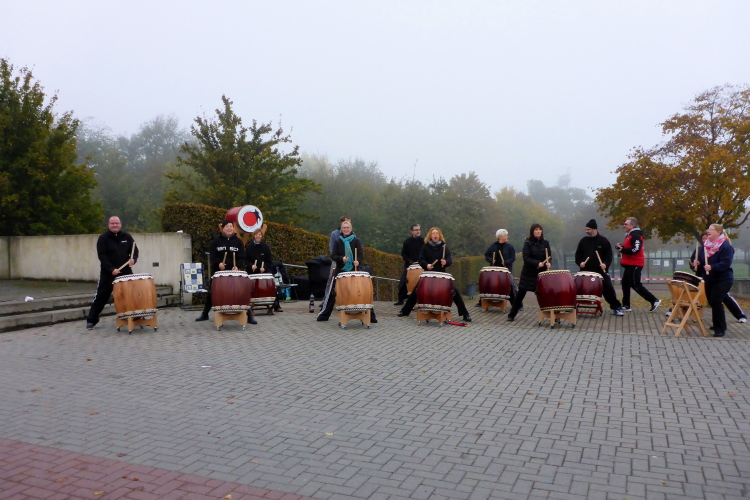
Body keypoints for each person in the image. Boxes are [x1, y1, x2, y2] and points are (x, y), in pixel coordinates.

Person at [397, 227, 472, 322]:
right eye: (433, 233)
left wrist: (446, 262)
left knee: (454, 292)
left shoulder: (444, 247)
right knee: (416, 291)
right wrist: (427, 265)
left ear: (439, 235)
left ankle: (465, 314)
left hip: (441, 274)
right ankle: (405, 311)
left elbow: (449, 259)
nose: (435, 235)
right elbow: (421, 259)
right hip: (428, 274)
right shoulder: (425, 247)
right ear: (430, 236)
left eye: (437, 233)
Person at [317, 221, 377, 323]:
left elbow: (361, 254)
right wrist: (341, 259)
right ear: (341, 229)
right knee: (332, 292)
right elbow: (333, 255)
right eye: (344, 228)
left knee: (361, 292)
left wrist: (358, 261)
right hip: (341, 269)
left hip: (354, 269)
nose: (346, 229)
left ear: (351, 229)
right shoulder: (338, 241)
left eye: (347, 228)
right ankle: (324, 315)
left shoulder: (356, 241)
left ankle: (371, 317)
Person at [86, 216, 139, 330]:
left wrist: (133, 260)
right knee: (101, 296)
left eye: (116, 223)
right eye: (112, 223)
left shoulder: (127, 237)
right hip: (108, 273)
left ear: (120, 224)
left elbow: (135, 251)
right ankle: (91, 320)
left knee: (131, 295)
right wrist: (111, 269)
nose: (115, 225)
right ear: (108, 225)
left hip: (125, 271)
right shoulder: (103, 238)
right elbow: (102, 256)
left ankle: (134, 317)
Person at [195, 220, 254, 323]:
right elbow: (213, 256)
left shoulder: (238, 242)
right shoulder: (216, 242)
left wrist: (237, 266)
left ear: (233, 228)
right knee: (212, 292)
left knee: (240, 293)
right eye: (227, 226)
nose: (229, 228)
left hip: (234, 273)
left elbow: (242, 256)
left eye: (231, 226)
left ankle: (249, 315)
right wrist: (219, 264)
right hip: (219, 273)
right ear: (223, 228)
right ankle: (205, 314)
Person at [686, 231, 746, 322]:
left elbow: (723, 263)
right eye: (703, 239)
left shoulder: (718, 248)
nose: (704, 240)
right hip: (704, 278)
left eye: (706, 238)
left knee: (723, 298)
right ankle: (705, 319)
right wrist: (694, 266)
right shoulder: (700, 249)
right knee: (711, 300)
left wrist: (712, 267)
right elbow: (693, 262)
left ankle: (740, 315)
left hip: (718, 278)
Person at [693, 224, 735, 337]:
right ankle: (718, 324)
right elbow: (700, 261)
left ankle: (720, 328)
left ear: (719, 232)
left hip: (723, 279)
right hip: (709, 279)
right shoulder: (705, 246)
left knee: (716, 301)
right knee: (712, 302)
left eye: (711, 229)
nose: (708, 231)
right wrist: (696, 264)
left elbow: (726, 263)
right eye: (708, 229)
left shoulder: (725, 247)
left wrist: (713, 267)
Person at [574, 219, 623, 316]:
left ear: (594, 229)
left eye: (588, 229)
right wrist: (580, 263)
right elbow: (577, 256)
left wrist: (605, 264)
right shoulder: (583, 241)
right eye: (586, 229)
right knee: (576, 288)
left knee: (608, 288)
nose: (586, 231)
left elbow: (609, 256)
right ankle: (572, 307)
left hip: (600, 271)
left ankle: (616, 307)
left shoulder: (604, 241)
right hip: (586, 271)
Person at [507, 224, 551, 321]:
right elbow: (526, 258)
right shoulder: (528, 242)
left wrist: (548, 263)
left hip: (541, 273)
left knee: (544, 295)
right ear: (532, 232)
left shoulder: (545, 243)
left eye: (540, 230)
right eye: (536, 230)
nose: (538, 231)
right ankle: (511, 315)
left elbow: (549, 256)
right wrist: (537, 263)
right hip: (528, 273)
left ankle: (551, 315)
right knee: (520, 294)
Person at [615, 217, 660, 312]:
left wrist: (623, 250)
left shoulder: (636, 235)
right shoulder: (629, 235)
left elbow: (636, 249)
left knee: (635, 284)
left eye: (626, 224)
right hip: (628, 263)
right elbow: (630, 247)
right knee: (625, 284)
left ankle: (654, 300)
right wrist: (621, 246)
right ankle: (626, 305)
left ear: (632, 225)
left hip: (635, 263)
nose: (624, 225)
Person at [245, 228, 283, 312]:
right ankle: (249, 306)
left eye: (259, 235)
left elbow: (269, 261)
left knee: (273, 286)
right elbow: (246, 260)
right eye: (256, 235)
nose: (258, 236)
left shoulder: (265, 247)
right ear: (254, 236)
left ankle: (276, 305)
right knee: (248, 287)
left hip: (264, 270)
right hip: (252, 271)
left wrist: (264, 267)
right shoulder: (249, 247)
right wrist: (251, 266)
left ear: (262, 236)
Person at [476, 229, 517, 307]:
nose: (507, 237)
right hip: (494, 270)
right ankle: (482, 302)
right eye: (505, 236)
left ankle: (517, 305)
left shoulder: (510, 247)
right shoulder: (493, 246)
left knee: (511, 285)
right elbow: (487, 255)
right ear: (500, 237)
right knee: (488, 284)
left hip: (506, 270)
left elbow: (513, 258)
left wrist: (506, 262)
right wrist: (491, 260)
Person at [321, 216, 352, 309]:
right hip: (337, 260)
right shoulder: (335, 234)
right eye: (346, 223)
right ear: (342, 224)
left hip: (348, 261)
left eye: (349, 224)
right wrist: (339, 258)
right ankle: (326, 300)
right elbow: (332, 248)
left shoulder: (353, 235)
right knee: (332, 279)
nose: (347, 226)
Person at [394, 224, 423, 305]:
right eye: (416, 230)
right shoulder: (407, 242)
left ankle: (420, 299)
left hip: (421, 266)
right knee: (403, 282)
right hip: (409, 265)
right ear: (412, 231)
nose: (418, 231)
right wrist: (410, 261)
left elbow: (425, 253)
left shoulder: (423, 241)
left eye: (419, 229)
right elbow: (403, 253)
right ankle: (401, 299)